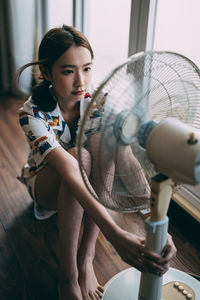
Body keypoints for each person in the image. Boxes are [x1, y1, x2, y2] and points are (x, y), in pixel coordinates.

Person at [17, 25, 176, 300]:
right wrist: (114, 233)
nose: (81, 82)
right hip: (47, 186)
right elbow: (69, 169)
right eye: (68, 71)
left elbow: (125, 161)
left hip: (89, 184)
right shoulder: (31, 113)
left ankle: (86, 257)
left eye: (87, 69)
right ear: (46, 72)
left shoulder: (100, 100)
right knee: (80, 157)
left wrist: (157, 221)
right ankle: (67, 275)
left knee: (107, 142)